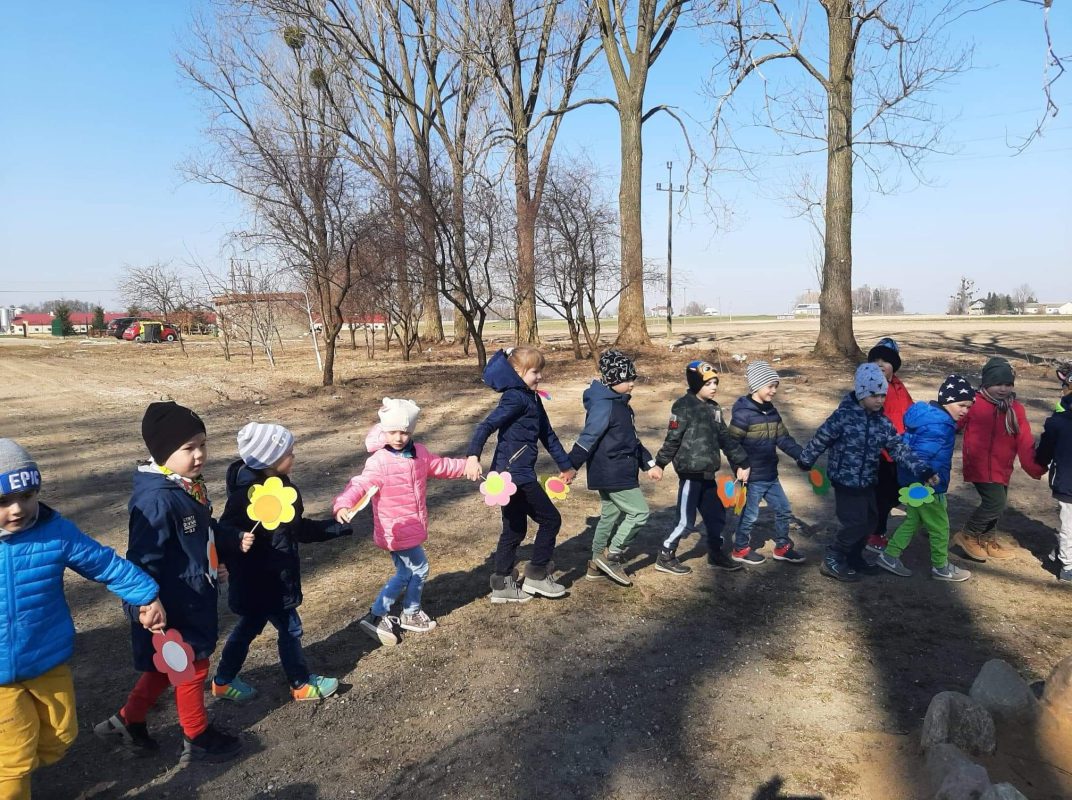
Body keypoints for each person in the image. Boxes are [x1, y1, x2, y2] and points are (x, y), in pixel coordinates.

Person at [0, 439, 161, 799]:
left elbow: (103, 563)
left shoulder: (54, 532)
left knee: (60, 736)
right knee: (13, 758)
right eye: (3, 501)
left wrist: (146, 595)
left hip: (46, 659)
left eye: (26, 496)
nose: (17, 509)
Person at [95, 402, 252, 765]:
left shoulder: (186, 487)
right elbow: (141, 560)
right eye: (188, 448)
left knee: (165, 666)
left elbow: (202, 532)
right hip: (170, 604)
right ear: (163, 452)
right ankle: (196, 736)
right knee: (192, 665)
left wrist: (224, 547)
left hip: (192, 593)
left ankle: (127, 721)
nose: (199, 455)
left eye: (202, 444)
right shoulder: (157, 500)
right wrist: (142, 604)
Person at [212, 423, 351, 703]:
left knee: (248, 627)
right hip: (259, 581)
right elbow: (222, 532)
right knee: (290, 628)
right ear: (269, 461)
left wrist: (335, 527)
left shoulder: (284, 490)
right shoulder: (244, 497)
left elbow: (297, 530)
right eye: (288, 453)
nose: (293, 457)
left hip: (277, 577)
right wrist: (235, 542)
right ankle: (300, 683)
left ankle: (223, 680)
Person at [335, 398, 471, 642]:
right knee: (417, 569)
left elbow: (441, 465)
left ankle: (389, 614)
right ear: (384, 430)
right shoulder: (379, 461)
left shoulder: (419, 454)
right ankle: (394, 613)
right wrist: (344, 503)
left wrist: (465, 467)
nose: (398, 437)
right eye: (393, 432)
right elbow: (360, 484)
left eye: (404, 432)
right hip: (395, 529)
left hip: (412, 526)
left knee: (407, 571)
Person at [797, 364, 936, 583]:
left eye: (883, 395)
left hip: (869, 479)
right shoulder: (843, 416)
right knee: (855, 523)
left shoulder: (882, 422)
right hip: (845, 480)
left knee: (871, 521)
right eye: (874, 395)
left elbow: (898, 448)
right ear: (862, 393)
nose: (880, 400)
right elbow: (821, 437)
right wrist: (806, 458)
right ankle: (833, 557)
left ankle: (854, 556)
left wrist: (923, 469)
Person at [465, 348, 576, 603]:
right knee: (550, 520)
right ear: (517, 372)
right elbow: (486, 425)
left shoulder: (532, 398)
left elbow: (548, 435)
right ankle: (537, 575)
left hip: (516, 474)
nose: (540, 376)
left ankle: (502, 583)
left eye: (541, 371)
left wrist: (565, 465)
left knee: (514, 529)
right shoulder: (515, 398)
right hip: (515, 476)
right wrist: (473, 456)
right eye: (535, 371)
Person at [568, 350, 662, 587]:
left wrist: (649, 464)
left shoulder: (621, 405)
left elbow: (632, 440)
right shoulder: (604, 406)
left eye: (633, 378)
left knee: (609, 515)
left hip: (617, 469)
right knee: (639, 513)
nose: (632, 383)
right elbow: (588, 438)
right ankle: (611, 556)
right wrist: (570, 465)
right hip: (613, 471)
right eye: (627, 379)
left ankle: (595, 565)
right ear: (612, 379)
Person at [652, 360, 751, 575]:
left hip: (707, 474)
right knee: (686, 520)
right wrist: (660, 464)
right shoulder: (683, 407)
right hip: (690, 473)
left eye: (716, 383)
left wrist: (741, 463)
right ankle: (665, 554)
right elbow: (672, 439)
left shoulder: (714, 409)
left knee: (717, 516)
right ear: (696, 384)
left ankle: (715, 554)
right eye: (708, 384)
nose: (714, 387)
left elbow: (726, 439)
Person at [876, 375, 976, 582]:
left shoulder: (928, 417)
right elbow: (920, 455)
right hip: (928, 485)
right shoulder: (940, 425)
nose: (965, 411)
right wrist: (927, 474)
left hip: (913, 483)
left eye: (968, 406)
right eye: (961, 405)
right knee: (940, 526)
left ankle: (889, 555)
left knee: (913, 521)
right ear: (946, 401)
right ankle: (941, 567)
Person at [951, 357, 1046, 562]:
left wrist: (1034, 467)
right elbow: (954, 423)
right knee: (995, 503)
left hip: (1003, 466)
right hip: (979, 464)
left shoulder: (1016, 409)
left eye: (1008, 384)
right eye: (997, 384)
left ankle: (987, 540)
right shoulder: (974, 404)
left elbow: (1025, 440)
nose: (1003, 389)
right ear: (986, 383)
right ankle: (968, 534)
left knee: (998, 504)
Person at [727, 360, 806, 565]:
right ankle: (740, 549)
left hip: (770, 474)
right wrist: (740, 466)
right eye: (770, 386)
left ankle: (782, 547)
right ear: (756, 386)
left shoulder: (771, 412)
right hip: (752, 477)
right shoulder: (743, 414)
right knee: (749, 515)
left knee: (784, 509)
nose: (774, 391)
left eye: (775, 386)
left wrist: (802, 455)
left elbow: (784, 439)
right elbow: (731, 443)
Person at [863, 337, 914, 561]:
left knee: (895, 493)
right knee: (882, 496)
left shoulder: (899, 387)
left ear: (894, 365)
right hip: (880, 453)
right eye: (876, 360)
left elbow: (910, 411)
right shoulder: (871, 388)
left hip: (898, 450)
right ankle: (875, 534)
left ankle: (875, 526)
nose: (880, 364)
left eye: (886, 361)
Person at [1034, 360, 1072, 583]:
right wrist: (1039, 463)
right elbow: (1046, 449)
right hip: (1067, 483)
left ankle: (1060, 552)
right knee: (1069, 526)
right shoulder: (1058, 422)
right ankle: (1067, 565)